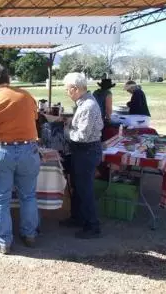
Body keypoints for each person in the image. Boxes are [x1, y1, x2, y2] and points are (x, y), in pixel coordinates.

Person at [0, 64, 40, 254]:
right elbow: (33, 119)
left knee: (0, 199)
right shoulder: (27, 96)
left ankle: (4, 241)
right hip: (28, 149)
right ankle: (30, 235)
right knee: (28, 196)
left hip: (1, 152)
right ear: (8, 79)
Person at [60, 72, 103, 239]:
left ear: (75, 89)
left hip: (86, 151)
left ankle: (92, 225)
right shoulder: (84, 103)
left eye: (67, 89)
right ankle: (78, 218)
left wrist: (65, 130)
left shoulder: (87, 106)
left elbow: (82, 136)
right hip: (83, 151)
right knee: (77, 187)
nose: (66, 92)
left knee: (85, 190)